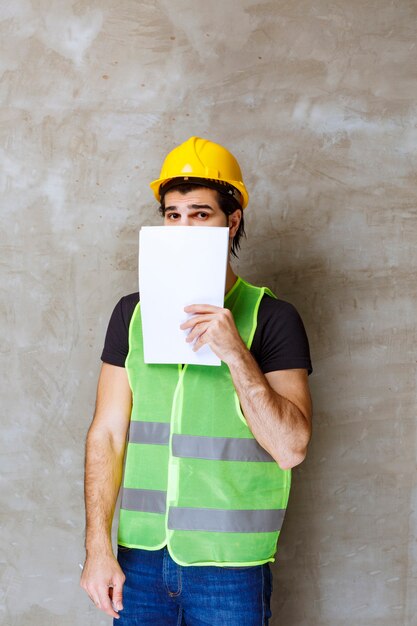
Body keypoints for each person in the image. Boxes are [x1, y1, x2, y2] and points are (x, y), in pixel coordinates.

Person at [80, 136, 313, 625]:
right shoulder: (132, 315)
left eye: (201, 214)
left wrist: (234, 351)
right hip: (138, 558)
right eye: (173, 214)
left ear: (233, 222)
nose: (184, 227)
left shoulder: (272, 317)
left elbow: (290, 447)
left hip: (231, 567)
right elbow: (107, 435)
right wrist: (97, 549)